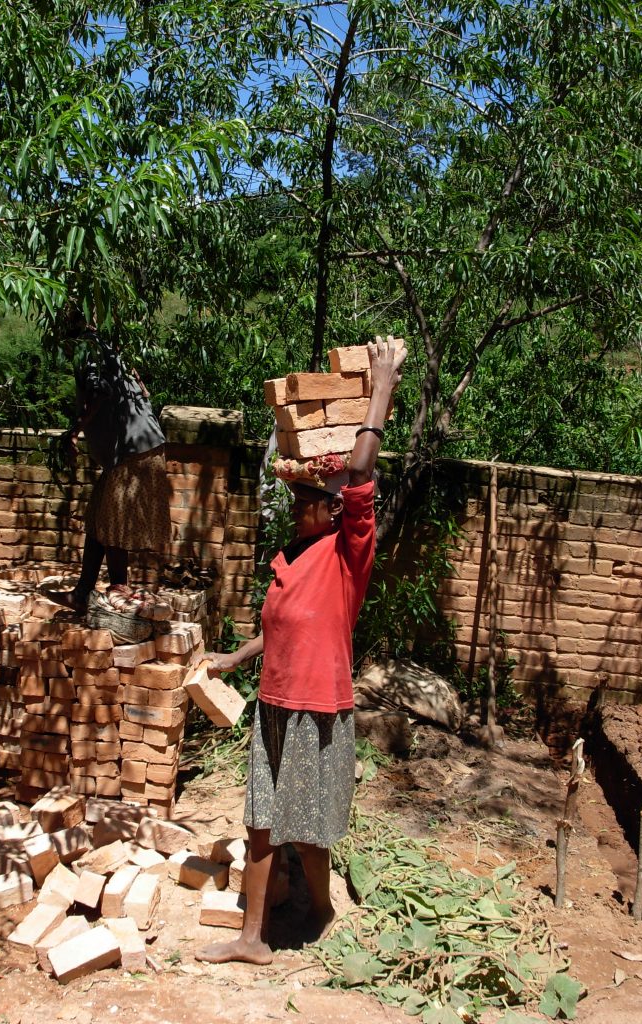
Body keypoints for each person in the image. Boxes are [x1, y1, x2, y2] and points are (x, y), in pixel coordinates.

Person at [196, 336, 406, 965]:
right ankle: (252, 939)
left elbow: (361, 474)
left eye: (305, 502)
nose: (295, 510)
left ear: (336, 509)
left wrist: (381, 387)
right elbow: (286, 629)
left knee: (309, 830)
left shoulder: (348, 554)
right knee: (260, 821)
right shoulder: (291, 557)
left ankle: (320, 909)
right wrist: (236, 659)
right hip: (273, 706)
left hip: (318, 709)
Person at [44, 324, 169, 615]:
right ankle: (83, 592)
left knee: (112, 525)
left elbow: (100, 391)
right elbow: (144, 391)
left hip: (133, 452)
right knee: (99, 518)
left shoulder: (88, 349)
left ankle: (116, 595)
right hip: (140, 448)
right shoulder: (111, 349)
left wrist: (75, 431)